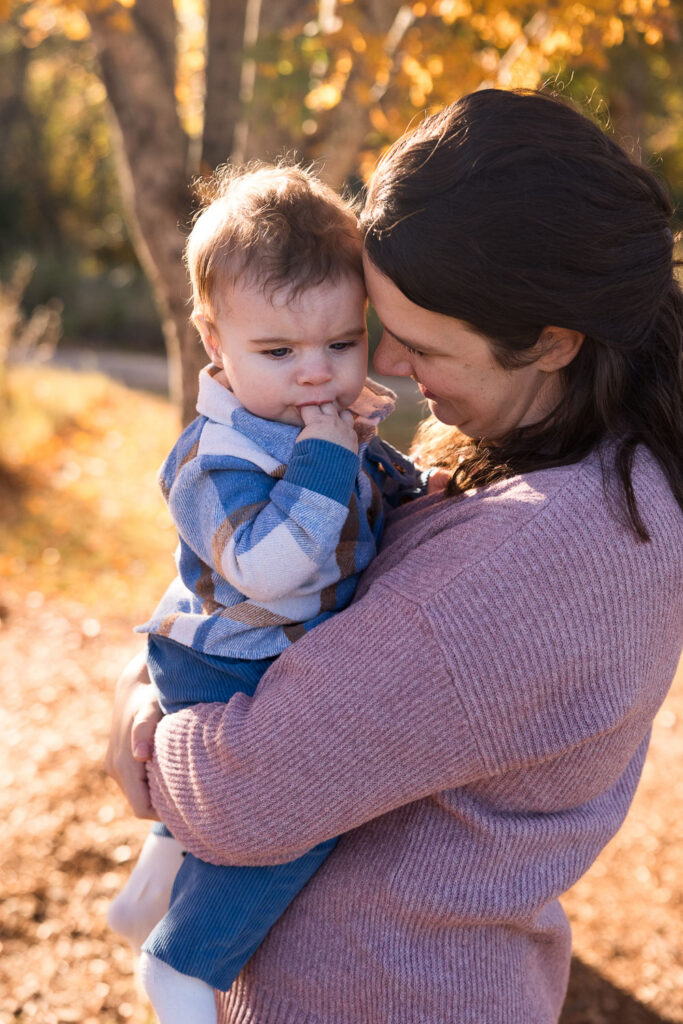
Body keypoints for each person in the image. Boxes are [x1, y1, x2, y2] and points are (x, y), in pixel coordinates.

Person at [106, 89, 683, 1024]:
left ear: (549, 340)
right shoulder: (568, 460)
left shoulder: (541, 553)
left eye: (418, 348)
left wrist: (140, 722)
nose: (394, 373)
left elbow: (245, 795)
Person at [106, 163, 428, 1023]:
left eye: (340, 343)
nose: (315, 373)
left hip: (272, 658)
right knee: (292, 808)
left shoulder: (316, 422)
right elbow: (273, 565)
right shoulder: (212, 460)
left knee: (229, 808)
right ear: (215, 343)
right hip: (225, 665)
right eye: (278, 352)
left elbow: (375, 509)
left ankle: (144, 899)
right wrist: (330, 457)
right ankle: (183, 964)